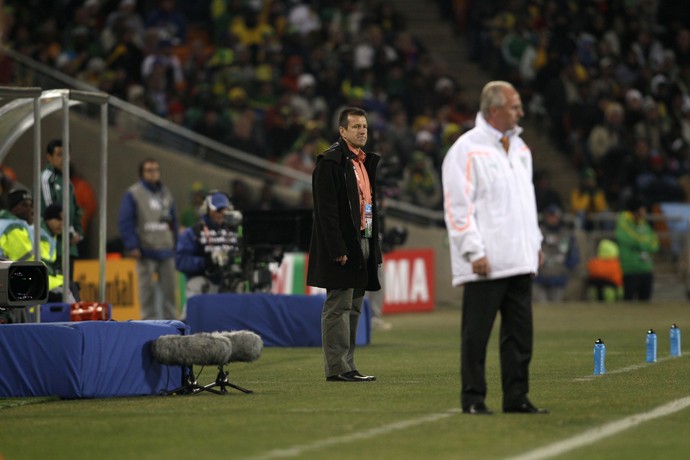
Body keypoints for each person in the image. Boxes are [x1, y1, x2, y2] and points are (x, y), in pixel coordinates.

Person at [442, 81, 547, 415]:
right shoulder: (466, 149)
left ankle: (516, 397)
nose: (521, 112)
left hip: (519, 258)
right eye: (515, 106)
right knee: (476, 336)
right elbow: (458, 208)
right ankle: (473, 398)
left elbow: (526, 203)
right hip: (486, 260)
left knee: (519, 337)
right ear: (495, 110)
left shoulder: (520, 149)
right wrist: (474, 251)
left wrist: (536, 243)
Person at [307, 107, 382, 383]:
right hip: (344, 246)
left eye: (364, 126)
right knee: (338, 305)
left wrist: (372, 244)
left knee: (354, 306)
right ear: (342, 131)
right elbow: (325, 212)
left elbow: (368, 208)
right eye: (356, 127)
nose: (362, 131)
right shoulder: (330, 162)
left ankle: (347, 365)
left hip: (363, 241)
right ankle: (337, 368)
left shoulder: (364, 162)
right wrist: (337, 248)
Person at [118, 158, 178, 319]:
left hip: (166, 249)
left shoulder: (166, 193)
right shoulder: (134, 194)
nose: (153, 173)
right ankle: (148, 325)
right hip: (145, 250)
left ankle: (173, 326)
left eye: (156, 170)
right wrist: (132, 245)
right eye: (149, 170)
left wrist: (176, 244)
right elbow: (126, 221)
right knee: (146, 295)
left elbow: (174, 220)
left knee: (170, 293)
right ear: (142, 173)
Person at [176, 191, 244, 313]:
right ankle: (189, 321)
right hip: (204, 280)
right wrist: (206, 261)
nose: (221, 214)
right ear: (207, 210)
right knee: (197, 284)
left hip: (230, 281)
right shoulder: (194, 233)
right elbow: (180, 261)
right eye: (218, 210)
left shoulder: (236, 232)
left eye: (225, 210)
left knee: (242, 286)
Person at [40, 139, 84, 276]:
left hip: (69, 246)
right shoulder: (47, 178)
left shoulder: (67, 181)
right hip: (53, 245)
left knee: (69, 289)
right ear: (49, 157)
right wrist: (71, 233)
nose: (63, 159)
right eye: (59, 154)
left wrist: (79, 233)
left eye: (66, 155)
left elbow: (76, 209)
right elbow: (51, 211)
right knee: (55, 289)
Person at [615, 197, 660, 301]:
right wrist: (645, 244)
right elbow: (629, 239)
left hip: (646, 269)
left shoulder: (644, 224)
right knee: (628, 305)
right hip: (630, 269)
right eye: (643, 208)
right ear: (636, 210)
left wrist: (642, 245)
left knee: (645, 306)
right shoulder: (623, 222)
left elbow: (655, 243)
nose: (645, 211)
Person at [534, 205, 579, 302]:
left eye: (554, 216)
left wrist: (566, 269)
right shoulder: (537, 233)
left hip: (559, 276)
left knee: (557, 305)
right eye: (549, 216)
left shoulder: (566, 234)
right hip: (540, 277)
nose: (552, 219)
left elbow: (573, 255)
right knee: (541, 306)